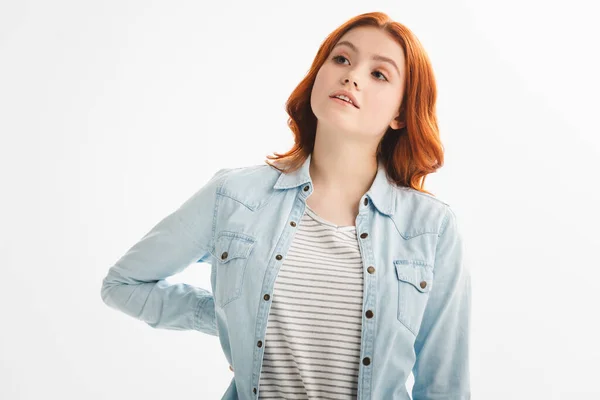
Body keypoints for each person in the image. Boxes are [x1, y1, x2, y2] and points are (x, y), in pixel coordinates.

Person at [100, 11, 471, 400]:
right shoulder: (234, 195)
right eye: (342, 58)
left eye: (379, 74)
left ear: (400, 112)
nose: (352, 76)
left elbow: (444, 386)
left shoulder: (433, 228)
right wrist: (233, 322)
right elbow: (123, 284)